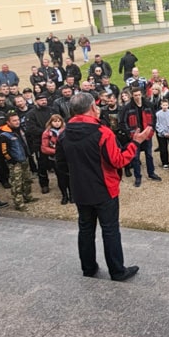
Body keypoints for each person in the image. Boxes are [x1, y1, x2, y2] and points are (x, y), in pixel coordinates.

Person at [55, 92, 151, 282]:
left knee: (85, 229)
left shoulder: (63, 133)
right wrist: (135, 143)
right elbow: (118, 160)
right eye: (96, 106)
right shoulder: (102, 132)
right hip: (104, 190)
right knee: (110, 230)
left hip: (80, 190)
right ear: (92, 108)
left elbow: (60, 163)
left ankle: (88, 268)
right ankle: (117, 271)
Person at [0, 113, 35, 210]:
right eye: (14, 120)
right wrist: (11, 160)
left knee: (27, 180)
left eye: (18, 120)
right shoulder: (4, 135)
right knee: (17, 183)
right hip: (15, 162)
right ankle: (19, 203)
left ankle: (27, 197)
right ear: (8, 122)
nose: (17, 122)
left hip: (24, 159)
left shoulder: (20, 130)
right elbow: (4, 151)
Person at [39, 114, 69, 204]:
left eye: (59, 121)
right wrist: (57, 151)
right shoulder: (47, 133)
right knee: (61, 178)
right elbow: (44, 148)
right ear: (51, 122)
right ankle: (64, 195)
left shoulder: (66, 131)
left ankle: (72, 195)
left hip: (67, 157)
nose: (57, 123)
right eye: (55, 121)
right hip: (55, 158)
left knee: (70, 177)